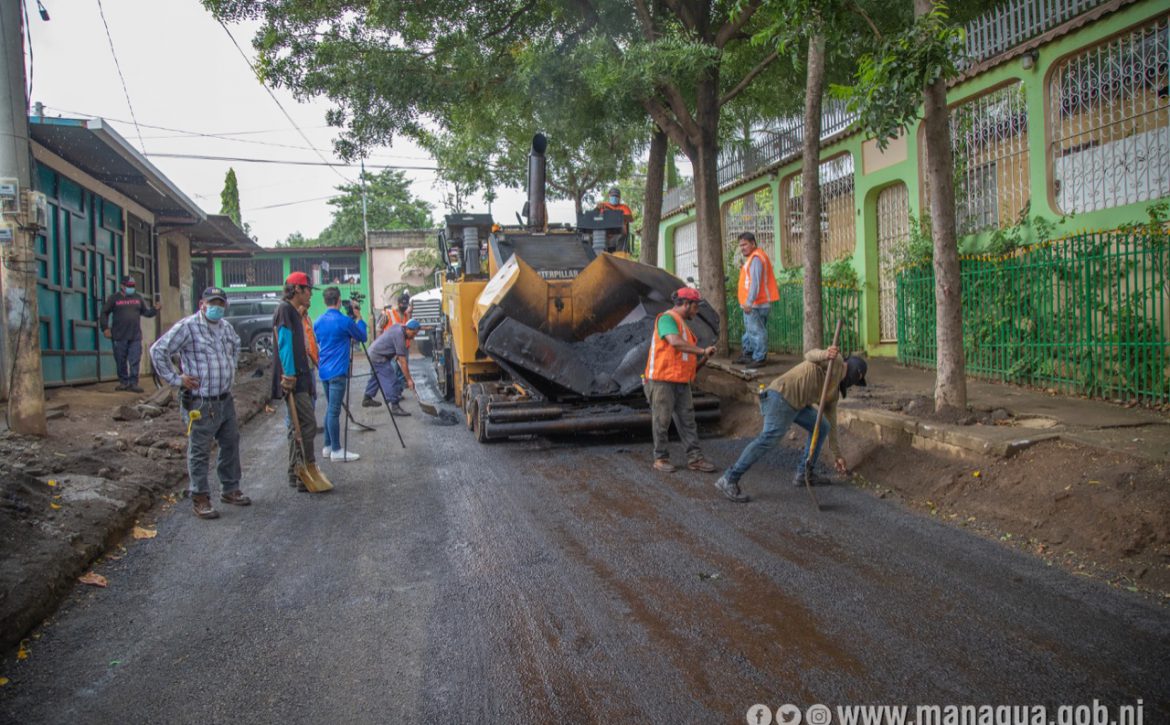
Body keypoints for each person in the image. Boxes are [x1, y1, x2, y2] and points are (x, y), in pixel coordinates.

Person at [714, 346, 868, 503]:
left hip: (797, 405)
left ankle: (804, 473)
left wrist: (837, 455)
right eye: (857, 380)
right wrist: (825, 354)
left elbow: (832, 425)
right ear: (856, 373)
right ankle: (729, 478)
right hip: (780, 396)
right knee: (768, 440)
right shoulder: (835, 360)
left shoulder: (833, 394)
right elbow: (809, 355)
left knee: (823, 427)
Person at [149, 287, 248, 520]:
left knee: (230, 443)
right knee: (200, 450)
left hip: (224, 398)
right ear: (202, 304)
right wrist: (176, 378)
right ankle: (200, 497)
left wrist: (230, 369)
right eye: (212, 303)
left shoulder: (226, 327)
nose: (217, 307)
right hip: (201, 401)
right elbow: (158, 350)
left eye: (220, 303)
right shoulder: (188, 327)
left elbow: (236, 345)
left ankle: (230, 488)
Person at [643, 288, 719, 474]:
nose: (696, 311)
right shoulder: (667, 319)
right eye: (695, 307)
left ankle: (695, 458)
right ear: (685, 304)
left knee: (688, 420)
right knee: (661, 420)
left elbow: (686, 361)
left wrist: (704, 358)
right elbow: (674, 342)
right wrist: (702, 351)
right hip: (662, 380)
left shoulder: (684, 327)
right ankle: (660, 458)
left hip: (681, 381)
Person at [273, 271, 323, 491]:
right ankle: (303, 470)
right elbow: (284, 343)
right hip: (295, 377)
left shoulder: (294, 312)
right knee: (306, 425)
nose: (310, 294)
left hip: (301, 375)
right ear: (297, 290)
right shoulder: (285, 310)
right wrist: (289, 375)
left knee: (298, 426)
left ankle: (296, 472)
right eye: (308, 290)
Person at [314, 288, 368, 462]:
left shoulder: (318, 321)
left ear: (325, 301)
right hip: (338, 370)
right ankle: (337, 450)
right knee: (334, 411)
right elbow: (362, 337)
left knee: (330, 408)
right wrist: (359, 318)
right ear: (338, 301)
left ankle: (328, 446)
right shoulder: (345, 321)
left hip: (324, 370)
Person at [100, 276, 158, 393]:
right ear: (122, 286)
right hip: (119, 336)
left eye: (133, 286)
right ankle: (123, 382)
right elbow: (104, 312)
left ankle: (133, 383)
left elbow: (146, 313)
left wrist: (155, 309)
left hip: (135, 336)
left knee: (134, 359)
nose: (131, 288)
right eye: (129, 286)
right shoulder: (114, 299)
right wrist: (105, 328)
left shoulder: (138, 298)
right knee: (120, 360)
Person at [733, 232, 779, 366]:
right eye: (741, 245)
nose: (742, 248)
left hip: (755, 304)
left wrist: (749, 302)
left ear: (753, 243)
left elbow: (755, 283)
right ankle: (748, 354)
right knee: (750, 332)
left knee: (756, 332)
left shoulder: (756, 258)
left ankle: (759, 358)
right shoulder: (754, 258)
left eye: (745, 244)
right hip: (754, 304)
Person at [361, 318, 419, 416]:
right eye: (413, 334)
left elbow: (391, 341)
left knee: (377, 376)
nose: (413, 337)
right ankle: (395, 406)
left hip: (373, 352)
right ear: (407, 329)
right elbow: (403, 362)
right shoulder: (400, 336)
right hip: (378, 356)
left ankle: (367, 398)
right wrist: (409, 380)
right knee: (391, 379)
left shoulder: (399, 327)